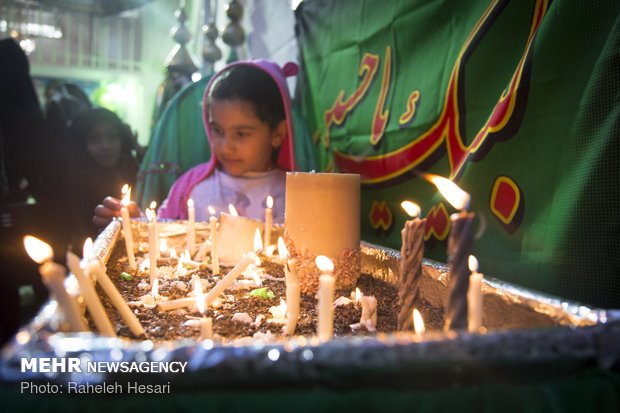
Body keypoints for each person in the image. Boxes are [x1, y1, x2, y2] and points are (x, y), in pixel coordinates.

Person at [94, 59, 299, 227]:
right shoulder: (191, 187)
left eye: (241, 134)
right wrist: (134, 224)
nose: (225, 146)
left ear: (278, 134)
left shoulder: (298, 195)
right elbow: (161, 233)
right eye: (217, 130)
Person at [65, 108, 143, 246]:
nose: (106, 146)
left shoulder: (137, 173)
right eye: (94, 139)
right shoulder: (73, 187)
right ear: (81, 144)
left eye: (112, 136)